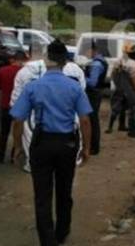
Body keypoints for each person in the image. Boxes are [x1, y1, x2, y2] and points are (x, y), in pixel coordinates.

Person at [10, 40, 92, 246]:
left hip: (42, 144)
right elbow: (85, 119)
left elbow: (18, 119)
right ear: (65, 61)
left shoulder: (33, 87)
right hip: (67, 144)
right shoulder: (74, 86)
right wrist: (86, 148)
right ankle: (62, 232)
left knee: (42, 197)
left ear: (47, 60)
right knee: (64, 191)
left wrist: (18, 146)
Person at [11, 44, 86, 172]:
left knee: (39, 177)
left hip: (36, 131)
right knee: (65, 179)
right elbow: (83, 114)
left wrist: (17, 146)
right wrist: (86, 147)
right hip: (68, 132)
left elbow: (17, 113)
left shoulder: (25, 72)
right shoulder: (76, 71)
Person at [0, 49, 26, 163]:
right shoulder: (24, 72)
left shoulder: (2, 70)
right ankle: (14, 155)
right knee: (18, 131)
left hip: (5, 105)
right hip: (19, 107)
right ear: (23, 60)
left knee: (4, 132)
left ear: (13, 59)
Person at [84, 43, 108, 155]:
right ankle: (94, 145)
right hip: (97, 93)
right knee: (93, 119)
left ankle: (94, 146)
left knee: (92, 120)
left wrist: (82, 77)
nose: (86, 55)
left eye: (87, 52)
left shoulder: (96, 64)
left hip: (93, 94)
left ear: (92, 50)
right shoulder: (101, 61)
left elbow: (92, 82)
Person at [106, 61, 128, 133]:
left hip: (119, 92)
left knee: (121, 110)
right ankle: (111, 127)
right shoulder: (118, 73)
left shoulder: (116, 73)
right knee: (116, 110)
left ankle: (119, 126)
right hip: (118, 92)